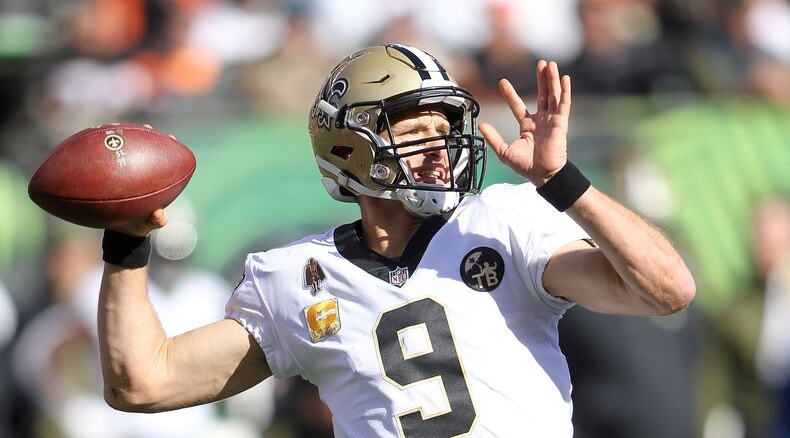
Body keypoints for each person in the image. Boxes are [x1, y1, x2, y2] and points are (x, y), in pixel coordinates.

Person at [96, 44, 695, 437]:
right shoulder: (298, 276)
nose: (440, 147)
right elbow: (143, 382)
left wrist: (565, 184)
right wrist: (126, 245)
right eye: (416, 127)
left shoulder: (506, 223)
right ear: (349, 145)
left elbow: (666, 290)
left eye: (446, 128)